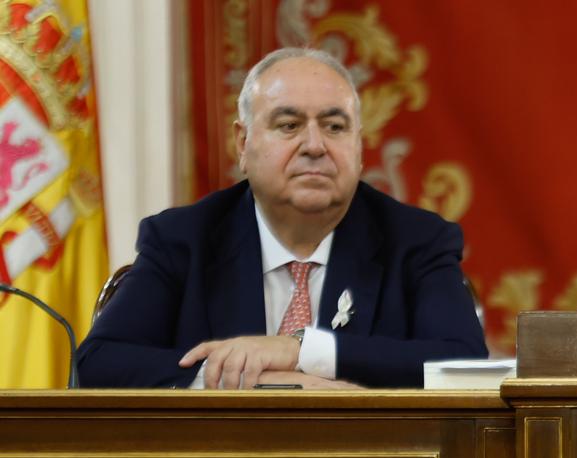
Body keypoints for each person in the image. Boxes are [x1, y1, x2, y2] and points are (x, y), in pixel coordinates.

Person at [77, 48, 486, 389]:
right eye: (289, 126)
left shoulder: (416, 240)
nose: (314, 145)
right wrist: (260, 382)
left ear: (359, 145)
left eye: (335, 126)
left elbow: (462, 364)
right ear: (243, 142)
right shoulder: (184, 238)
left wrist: (302, 352)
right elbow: (99, 363)